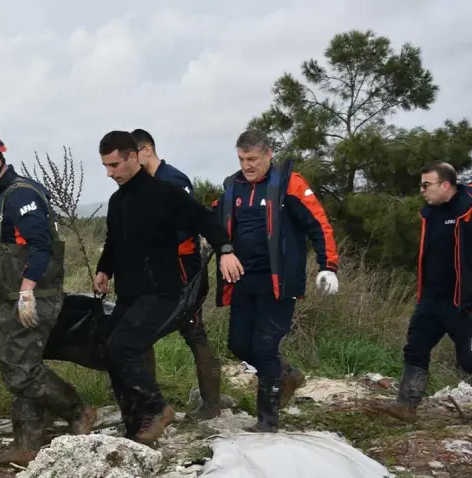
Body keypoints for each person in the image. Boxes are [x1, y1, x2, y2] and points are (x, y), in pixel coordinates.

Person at [93, 130, 242, 445]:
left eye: (114, 165)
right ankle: (135, 423)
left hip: (161, 291)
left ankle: (157, 409)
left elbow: (204, 220)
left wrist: (226, 250)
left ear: (134, 157)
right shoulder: (117, 201)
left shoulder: (165, 193)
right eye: (105, 166)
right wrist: (104, 269)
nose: (109, 173)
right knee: (109, 348)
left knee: (125, 347)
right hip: (130, 292)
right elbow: (113, 240)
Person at [0, 129, 96, 466]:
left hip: (34, 295)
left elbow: (41, 244)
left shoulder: (22, 194)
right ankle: (27, 444)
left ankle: (77, 410)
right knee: (18, 363)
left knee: (19, 370)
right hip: (9, 295)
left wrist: (27, 290)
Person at [210, 129, 339, 433]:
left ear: (269, 154)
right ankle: (287, 374)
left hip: (279, 282)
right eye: (241, 159)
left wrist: (328, 266)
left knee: (264, 347)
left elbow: (319, 224)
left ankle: (267, 420)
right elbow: (212, 221)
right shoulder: (232, 187)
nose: (247, 165)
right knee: (238, 344)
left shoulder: (289, 184)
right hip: (242, 280)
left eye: (252, 159)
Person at [131, 128, 222, 419]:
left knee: (188, 332)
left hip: (183, 272)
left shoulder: (174, 181)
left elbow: (189, 223)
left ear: (146, 150)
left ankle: (207, 405)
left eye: (133, 155)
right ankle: (155, 406)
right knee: (153, 333)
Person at [375, 162, 472, 422]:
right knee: (416, 347)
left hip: (462, 302)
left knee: (468, 359)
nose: (421, 190)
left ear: (446, 185)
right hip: (431, 299)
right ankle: (406, 406)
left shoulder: (468, 209)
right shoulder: (430, 213)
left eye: (426, 185)